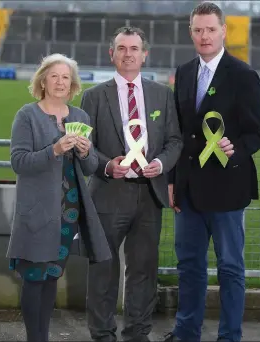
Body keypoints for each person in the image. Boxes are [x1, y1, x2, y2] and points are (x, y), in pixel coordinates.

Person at [163, 2, 260, 342]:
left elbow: (255, 133)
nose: (204, 35)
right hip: (188, 190)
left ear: (223, 31)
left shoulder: (243, 75)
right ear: (190, 32)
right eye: (197, 30)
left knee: (230, 269)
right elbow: (177, 134)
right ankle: (186, 332)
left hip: (227, 189)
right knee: (189, 267)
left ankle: (229, 336)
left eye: (210, 29)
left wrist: (235, 149)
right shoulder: (184, 71)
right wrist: (173, 180)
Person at [80, 26, 183, 342]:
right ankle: (102, 333)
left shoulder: (162, 94)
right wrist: (107, 166)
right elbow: (85, 146)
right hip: (109, 193)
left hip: (148, 195)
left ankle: (138, 332)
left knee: (143, 269)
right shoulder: (94, 96)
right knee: (103, 269)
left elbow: (174, 140)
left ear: (144, 54)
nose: (128, 54)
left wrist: (162, 164)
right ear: (112, 54)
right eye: (122, 48)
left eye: (134, 48)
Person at [6, 53, 112, 342]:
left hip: (69, 211)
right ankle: (35, 338)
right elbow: (19, 162)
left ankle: (43, 336)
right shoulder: (27, 115)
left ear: (73, 84)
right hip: (39, 210)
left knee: (52, 274)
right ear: (42, 80)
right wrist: (54, 150)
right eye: (54, 76)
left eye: (65, 77)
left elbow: (90, 168)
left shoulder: (79, 117)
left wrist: (85, 151)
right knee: (34, 276)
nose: (60, 82)